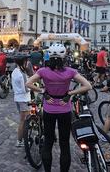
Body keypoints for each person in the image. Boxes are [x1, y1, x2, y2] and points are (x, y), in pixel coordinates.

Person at [26, 44, 91, 172]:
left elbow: (28, 83)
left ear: (49, 56)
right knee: (64, 144)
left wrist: (43, 91)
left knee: (48, 143)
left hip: (49, 110)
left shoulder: (43, 71)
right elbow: (88, 86)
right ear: (64, 56)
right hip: (64, 109)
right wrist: (70, 94)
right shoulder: (70, 71)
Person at [11, 54, 43, 147]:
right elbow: (26, 88)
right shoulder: (22, 74)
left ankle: (23, 138)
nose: (27, 63)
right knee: (23, 121)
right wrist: (35, 88)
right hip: (24, 99)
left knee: (24, 120)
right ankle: (20, 141)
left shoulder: (15, 71)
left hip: (17, 98)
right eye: (26, 61)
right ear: (23, 63)